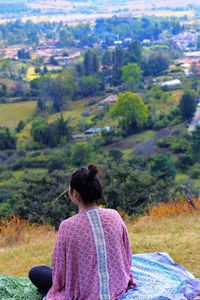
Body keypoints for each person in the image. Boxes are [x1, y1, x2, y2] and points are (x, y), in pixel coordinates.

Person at [29, 164, 135, 300]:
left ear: (75, 193)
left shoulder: (67, 226)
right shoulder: (114, 215)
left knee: (36, 272)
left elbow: (60, 273)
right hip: (117, 286)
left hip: (84, 292)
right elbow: (127, 256)